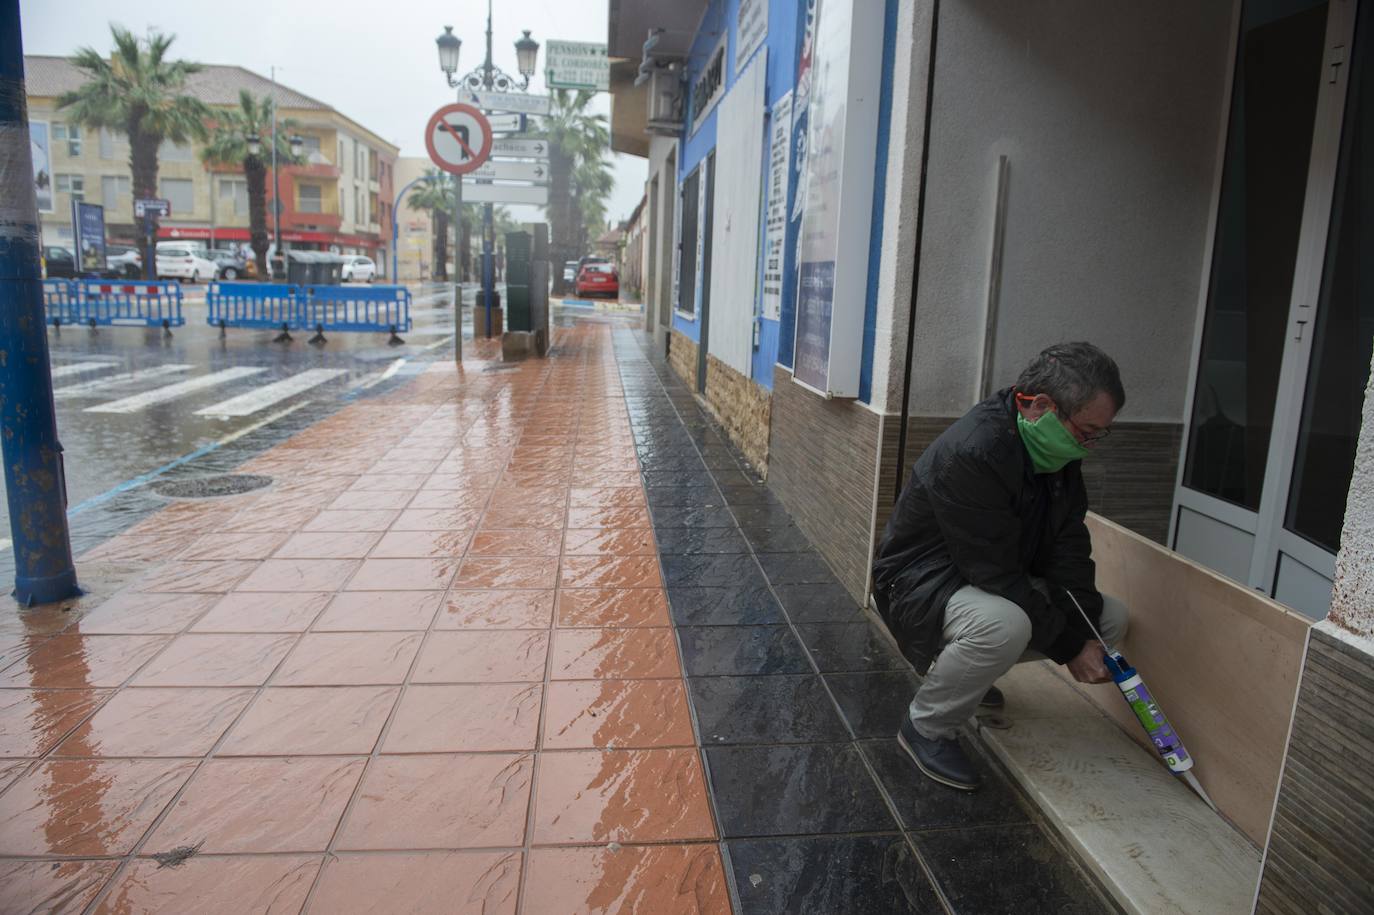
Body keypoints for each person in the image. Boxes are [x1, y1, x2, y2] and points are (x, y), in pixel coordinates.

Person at [871, 342, 1130, 791]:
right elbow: (997, 574)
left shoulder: (1056, 453)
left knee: (1108, 618)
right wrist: (1070, 648)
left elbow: (1067, 551)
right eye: (1086, 432)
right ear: (1041, 407)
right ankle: (926, 727)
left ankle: (965, 679)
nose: (1088, 446)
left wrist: (1083, 630)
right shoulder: (975, 451)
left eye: (1097, 436)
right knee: (1003, 625)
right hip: (915, 584)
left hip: (979, 577)